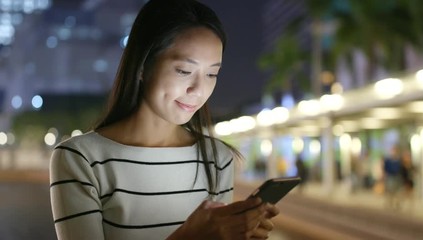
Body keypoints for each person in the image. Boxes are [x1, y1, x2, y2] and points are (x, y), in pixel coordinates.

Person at [49, 0, 279, 239]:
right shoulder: (81, 159)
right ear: (141, 66)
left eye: (212, 74)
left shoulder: (217, 158)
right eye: (184, 71)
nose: (199, 90)